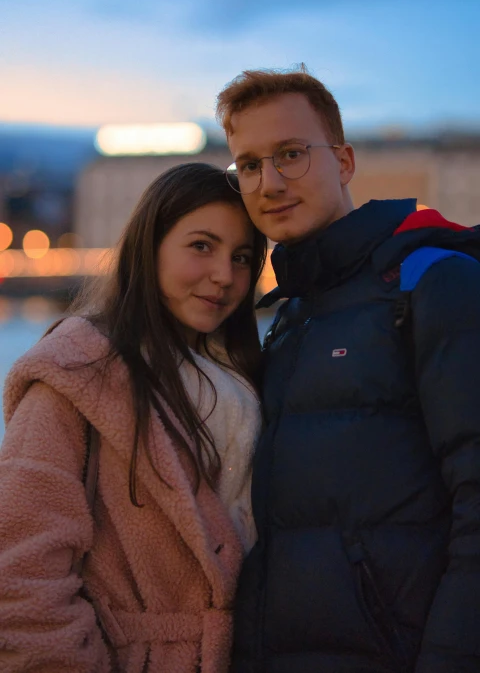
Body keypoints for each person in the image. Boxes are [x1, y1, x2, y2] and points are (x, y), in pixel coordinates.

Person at [216, 67, 480, 673]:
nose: (270, 182)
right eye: (249, 166)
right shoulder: (293, 317)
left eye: (290, 154)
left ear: (346, 161)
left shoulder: (434, 283)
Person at [0, 162, 267, 673]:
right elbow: (22, 577)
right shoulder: (76, 373)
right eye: (201, 246)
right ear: (150, 245)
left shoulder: (248, 377)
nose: (224, 275)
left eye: (241, 257)